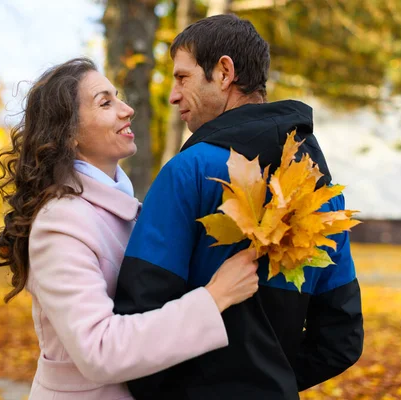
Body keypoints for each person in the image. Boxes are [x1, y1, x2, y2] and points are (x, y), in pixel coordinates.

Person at [113, 14, 364, 400]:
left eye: (183, 78)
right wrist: (271, 382)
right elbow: (341, 338)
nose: (173, 94)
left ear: (224, 72)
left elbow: (139, 314)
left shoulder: (189, 173)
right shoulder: (322, 192)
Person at [0, 57, 262, 400]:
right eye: (106, 102)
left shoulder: (125, 209)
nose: (127, 109)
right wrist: (216, 296)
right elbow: (99, 349)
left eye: (118, 97)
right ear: (69, 133)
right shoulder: (60, 222)